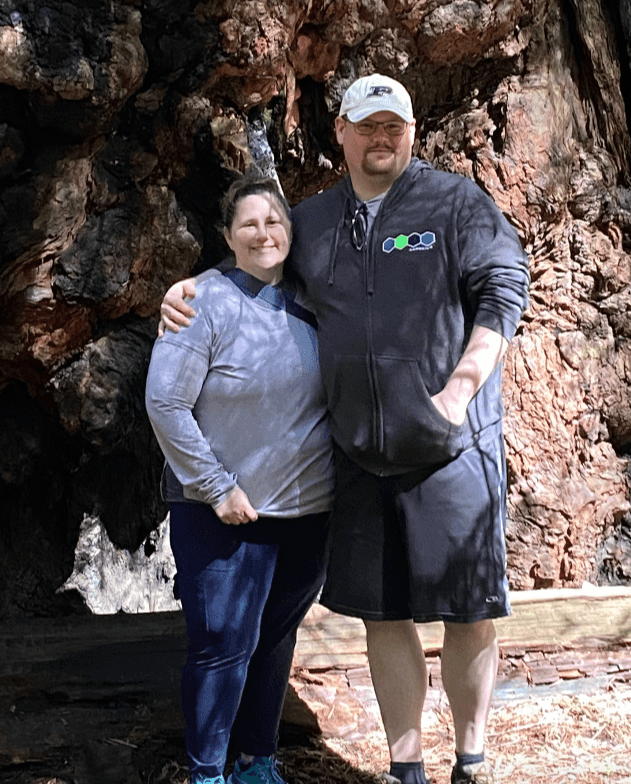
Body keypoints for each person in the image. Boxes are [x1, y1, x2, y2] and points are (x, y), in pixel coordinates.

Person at [162, 75, 531, 784]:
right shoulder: (314, 222)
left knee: (468, 611)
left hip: (453, 451)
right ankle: (405, 766)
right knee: (383, 614)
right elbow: (257, 262)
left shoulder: (454, 204)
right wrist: (187, 288)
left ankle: (472, 757)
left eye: (394, 123)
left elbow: (502, 291)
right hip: (358, 459)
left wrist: (461, 385)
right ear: (341, 132)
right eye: (367, 124)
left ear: (413, 130)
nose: (381, 137)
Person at [145, 174, 333, 784]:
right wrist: (217, 486)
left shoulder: (316, 299)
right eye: (248, 223)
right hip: (223, 512)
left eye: (274, 221)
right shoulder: (202, 301)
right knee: (222, 644)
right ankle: (206, 772)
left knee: (274, 639)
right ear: (227, 235)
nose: (263, 232)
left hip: (307, 516)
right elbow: (165, 405)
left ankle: (257, 761)